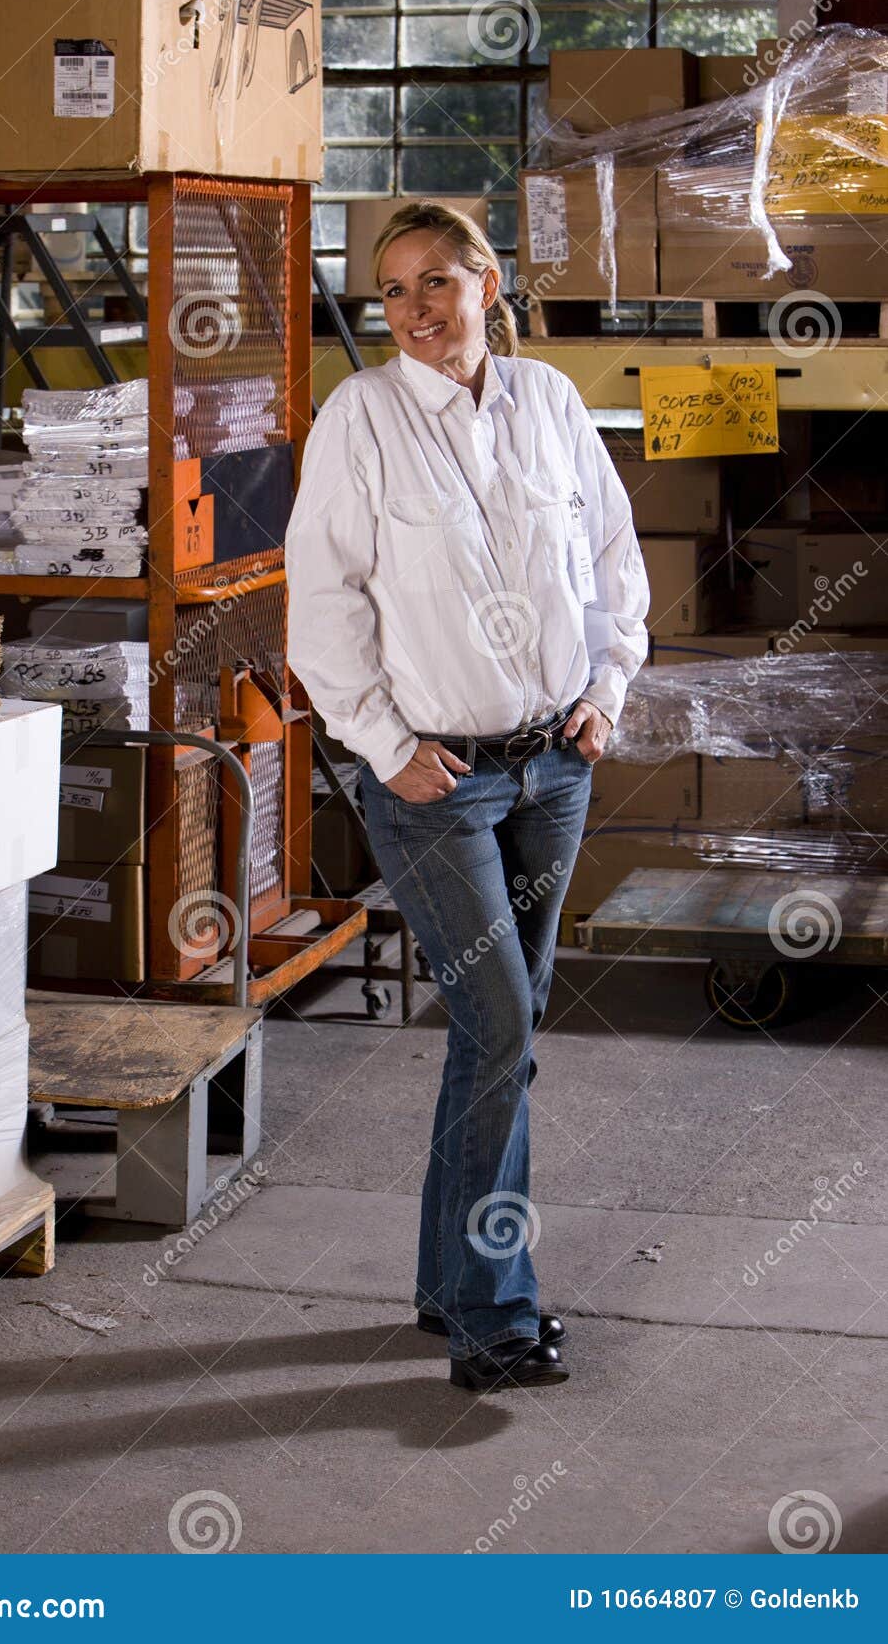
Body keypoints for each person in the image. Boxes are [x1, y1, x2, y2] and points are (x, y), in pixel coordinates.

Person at [284, 199, 649, 1393]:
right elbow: (323, 602)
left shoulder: (545, 401)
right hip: (432, 780)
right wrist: (380, 743)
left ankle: (447, 1281)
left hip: (553, 765)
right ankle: (494, 1308)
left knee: (508, 1024)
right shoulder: (362, 418)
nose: (414, 310)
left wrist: (605, 687)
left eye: (436, 281)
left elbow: (607, 554)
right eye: (391, 292)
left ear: (487, 284)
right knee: (499, 1021)